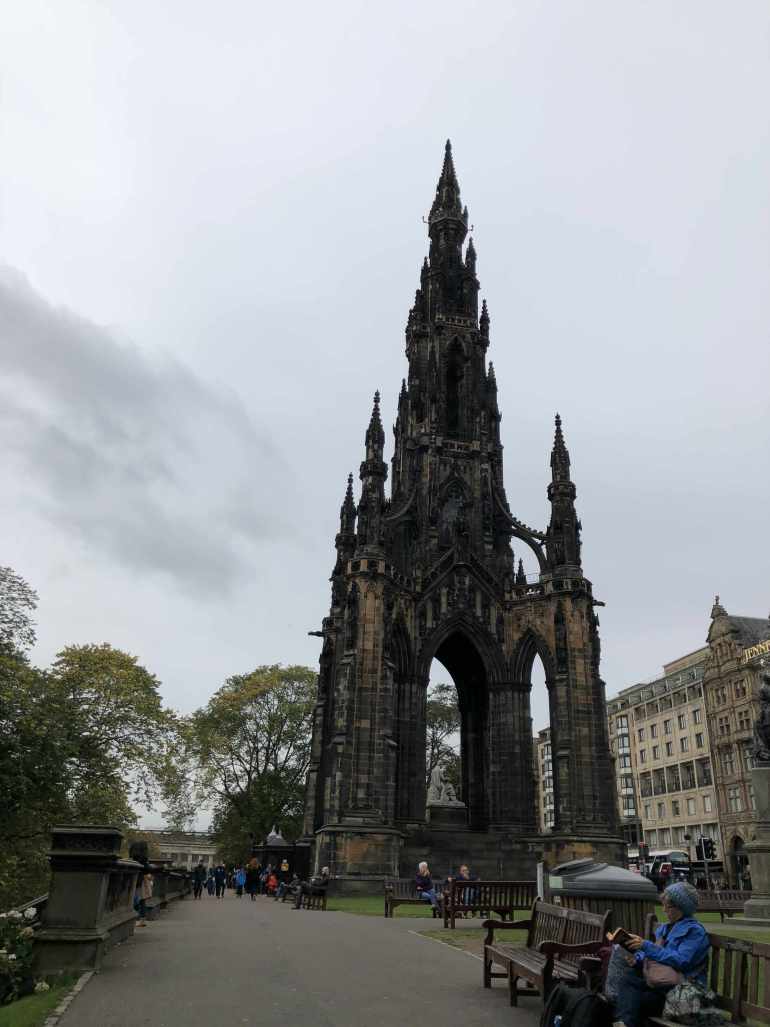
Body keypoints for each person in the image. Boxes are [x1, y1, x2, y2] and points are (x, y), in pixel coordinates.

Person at [610, 881, 710, 1027]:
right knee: (629, 979)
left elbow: (681, 960)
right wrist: (637, 960)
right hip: (661, 986)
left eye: (667, 906)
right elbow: (657, 959)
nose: (663, 910)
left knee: (631, 1002)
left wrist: (646, 945)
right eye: (662, 904)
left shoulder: (695, 932)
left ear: (681, 908)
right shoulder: (666, 928)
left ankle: (623, 1023)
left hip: (682, 992)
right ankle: (624, 1023)